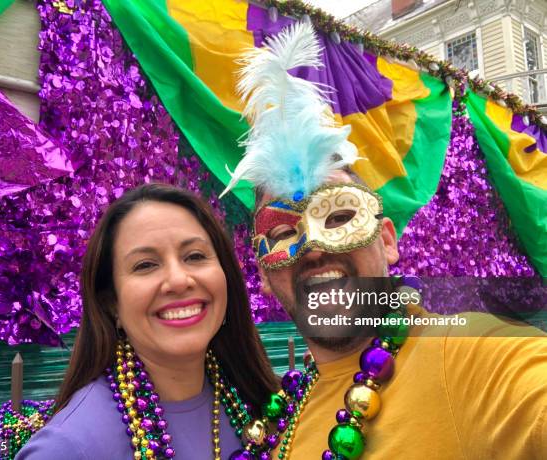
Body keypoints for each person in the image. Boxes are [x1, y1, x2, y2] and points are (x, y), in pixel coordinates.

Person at [220, 22, 547, 460]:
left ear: (387, 239)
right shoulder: (286, 410)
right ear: (264, 273)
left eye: (338, 216)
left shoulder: (471, 357)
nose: (315, 247)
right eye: (282, 233)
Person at [17, 183, 279, 460]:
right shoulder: (69, 447)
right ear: (111, 302)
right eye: (145, 265)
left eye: (195, 256)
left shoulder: (261, 404)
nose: (179, 280)